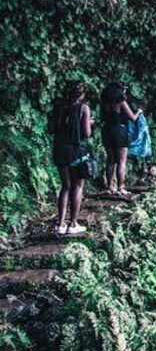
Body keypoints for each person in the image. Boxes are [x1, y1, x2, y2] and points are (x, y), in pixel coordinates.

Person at [48, 81, 92, 236]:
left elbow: (51, 128)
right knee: (78, 186)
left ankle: (60, 224)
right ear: (81, 94)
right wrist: (89, 123)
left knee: (65, 186)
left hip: (60, 149)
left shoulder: (58, 107)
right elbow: (86, 133)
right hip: (77, 151)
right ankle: (73, 224)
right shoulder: (83, 108)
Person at [101, 82, 142, 196]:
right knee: (121, 161)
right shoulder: (121, 102)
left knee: (110, 161)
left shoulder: (105, 103)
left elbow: (102, 117)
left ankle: (109, 187)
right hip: (119, 130)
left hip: (107, 130)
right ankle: (120, 187)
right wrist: (138, 112)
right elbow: (132, 117)